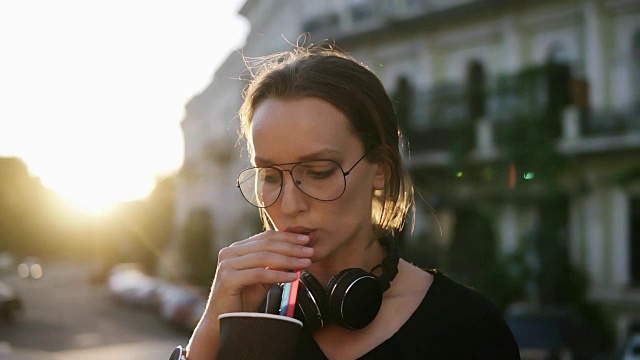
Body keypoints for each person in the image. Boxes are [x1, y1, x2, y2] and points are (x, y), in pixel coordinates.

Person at [185, 43, 521, 359]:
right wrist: (211, 330)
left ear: (381, 170)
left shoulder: (467, 328)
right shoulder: (249, 321)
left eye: (318, 172)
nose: (288, 206)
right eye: (270, 176)